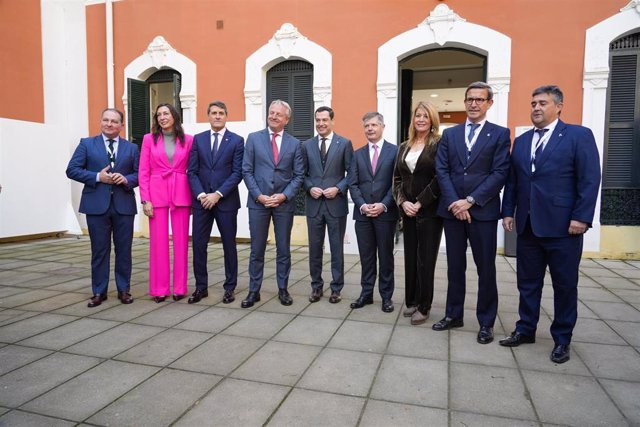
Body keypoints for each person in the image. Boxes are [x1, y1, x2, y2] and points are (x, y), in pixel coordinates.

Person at [500, 85, 601, 363]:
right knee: (528, 284)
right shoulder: (521, 142)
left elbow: (590, 179)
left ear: (559, 106)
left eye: (542, 103)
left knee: (564, 285)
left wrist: (581, 217)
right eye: (533, 103)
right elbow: (514, 181)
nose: (535, 108)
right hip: (529, 225)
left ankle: (562, 339)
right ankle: (526, 329)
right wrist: (508, 211)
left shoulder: (578, 136)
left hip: (564, 228)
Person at [432, 81, 511, 344]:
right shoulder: (449, 135)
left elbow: (500, 173)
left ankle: (486, 322)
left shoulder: (500, 134)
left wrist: (471, 201)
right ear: (464, 102)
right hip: (452, 212)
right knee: (455, 267)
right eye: (469, 99)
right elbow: (442, 170)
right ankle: (454, 314)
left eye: (479, 99)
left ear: (489, 103)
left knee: (485, 269)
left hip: (483, 213)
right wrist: (456, 202)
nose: (474, 104)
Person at [66, 108, 139, 307]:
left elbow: (140, 174)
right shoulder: (86, 144)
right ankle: (99, 291)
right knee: (99, 250)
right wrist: (98, 177)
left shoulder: (132, 148)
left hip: (123, 206)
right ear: (101, 121)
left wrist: (126, 179)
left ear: (121, 125)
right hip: (96, 206)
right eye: (106, 120)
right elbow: (71, 170)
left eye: (114, 121)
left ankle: (124, 290)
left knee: (124, 250)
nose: (109, 124)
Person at [241, 99, 305, 308]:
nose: (274, 116)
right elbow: (246, 170)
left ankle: (283, 289)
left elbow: (298, 175)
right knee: (256, 249)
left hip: (283, 204)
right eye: (271, 112)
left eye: (278, 114)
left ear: (286, 119)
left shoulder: (295, 144)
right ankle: (253, 291)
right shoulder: (253, 139)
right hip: (258, 203)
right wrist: (259, 195)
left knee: (283, 249)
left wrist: (284, 196)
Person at [188, 101, 244, 304]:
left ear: (226, 115)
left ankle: (230, 288)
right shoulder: (198, 140)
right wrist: (202, 195)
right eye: (214, 113)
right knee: (199, 246)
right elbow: (192, 171)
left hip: (226, 202)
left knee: (229, 246)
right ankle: (200, 287)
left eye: (221, 113)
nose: (217, 116)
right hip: (202, 202)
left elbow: (237, 173)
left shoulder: (237, 141)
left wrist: (218, 194)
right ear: (208, 116)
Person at [393, 102, 443, 325]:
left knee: (426, 260)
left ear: (432, 120)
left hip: (430, 212)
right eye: (417, 115)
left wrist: (420, 202)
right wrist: (403, 203)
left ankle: (424, 306)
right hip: (408, 212)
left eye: (425, 116)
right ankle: (412, 300)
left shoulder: (439, 145)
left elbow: (439, 178)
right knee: (410, 257)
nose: (421, 119)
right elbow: (397, 179)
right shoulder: (404, 146)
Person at [139, 104, 194, 303]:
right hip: (157, 193)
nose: (162, 117)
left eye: (166, 113)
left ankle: (180, 287)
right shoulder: (148, 140)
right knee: (158, 243)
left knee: (181, 243)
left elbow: (193, 169)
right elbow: (143, 171)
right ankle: (159, 289)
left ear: (174, 116)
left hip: (181, 192)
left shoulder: (188, 140)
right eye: (159, 114)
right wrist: (145, 199)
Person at [348, 112, 399, 313]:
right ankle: (366, 294)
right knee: (366, 256)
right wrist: (362, 205)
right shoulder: (357, 154)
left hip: (385, 214)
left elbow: (396, 183)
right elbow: (352, 183)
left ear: (382, 127)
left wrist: (383, 204)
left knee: (386, 256)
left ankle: (386, 297)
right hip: (363, 215)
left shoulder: (395, 152)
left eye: (373, 125)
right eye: (366, 126)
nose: (370, 129)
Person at [302, 106, 353, 304]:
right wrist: (309, 187)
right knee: (314, 249)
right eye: (318, 120)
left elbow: (352, 174)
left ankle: (336, 288)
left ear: (332, 121)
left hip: (336, 205)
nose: (321, 124)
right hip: (314, 205)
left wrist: (339, 188)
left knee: (336, 248)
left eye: (324, 120)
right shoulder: (306, 145)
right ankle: (316, 287)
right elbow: (302, 174)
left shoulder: (345, 144)